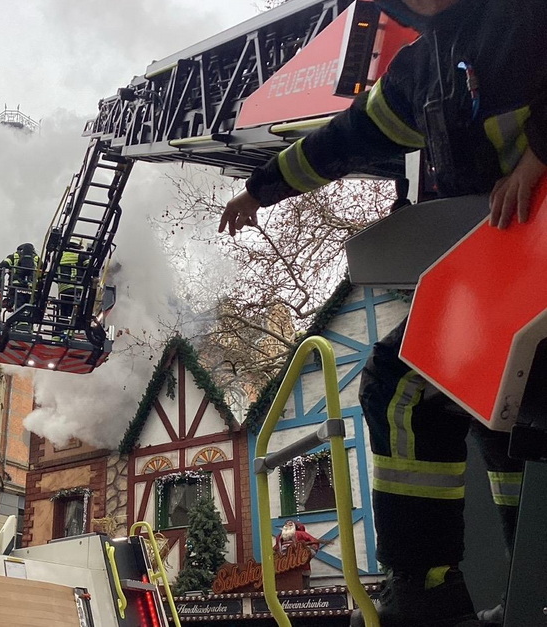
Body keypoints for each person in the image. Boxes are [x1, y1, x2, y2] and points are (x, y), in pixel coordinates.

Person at [219, 1, 547, 625]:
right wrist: (262, 187)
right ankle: (503, 577)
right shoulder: (419, 73)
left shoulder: (522, 16)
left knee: (412, 387)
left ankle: (426, 590)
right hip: (508, 283)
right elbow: (346, 139)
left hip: (528, 275)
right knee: (480, 408)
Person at [56, 238, 91, 329]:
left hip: (63, 289)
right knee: (77, 313)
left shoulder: (59, 255)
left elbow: (55, 273)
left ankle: (59, 333)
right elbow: (89, 269)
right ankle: (73, 330)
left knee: (63, 313)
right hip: (77, 288)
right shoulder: (81, 254)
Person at [0, 243, 39, 312]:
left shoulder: (14, 256)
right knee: (30, 307)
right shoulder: (37, 258)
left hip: (15, 286)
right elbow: (43, 269)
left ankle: (19, 320)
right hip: (32, 287)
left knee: (18, 306)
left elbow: (3, 264)